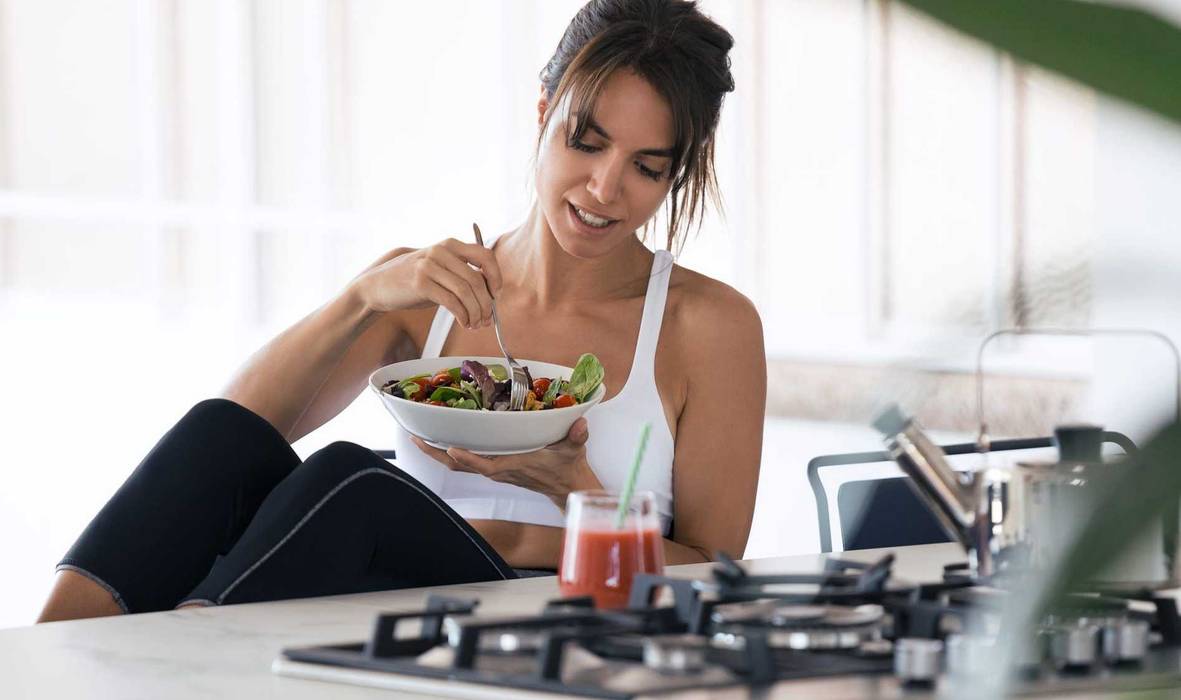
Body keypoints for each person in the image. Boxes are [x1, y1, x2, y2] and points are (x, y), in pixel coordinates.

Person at [37, 0, 766, 622]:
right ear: (543, 113)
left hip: (565, 609)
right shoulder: (429, 288)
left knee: (353, 483)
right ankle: (44, 659)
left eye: (647, 167)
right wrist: (363, 296)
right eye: (586, 141)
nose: (606, 189)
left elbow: (712, 569)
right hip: (394, 602)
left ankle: (183, 654)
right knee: (219, 436)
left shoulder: (706, 325)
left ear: (679, 171)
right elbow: (234, 437)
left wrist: (569, 492)